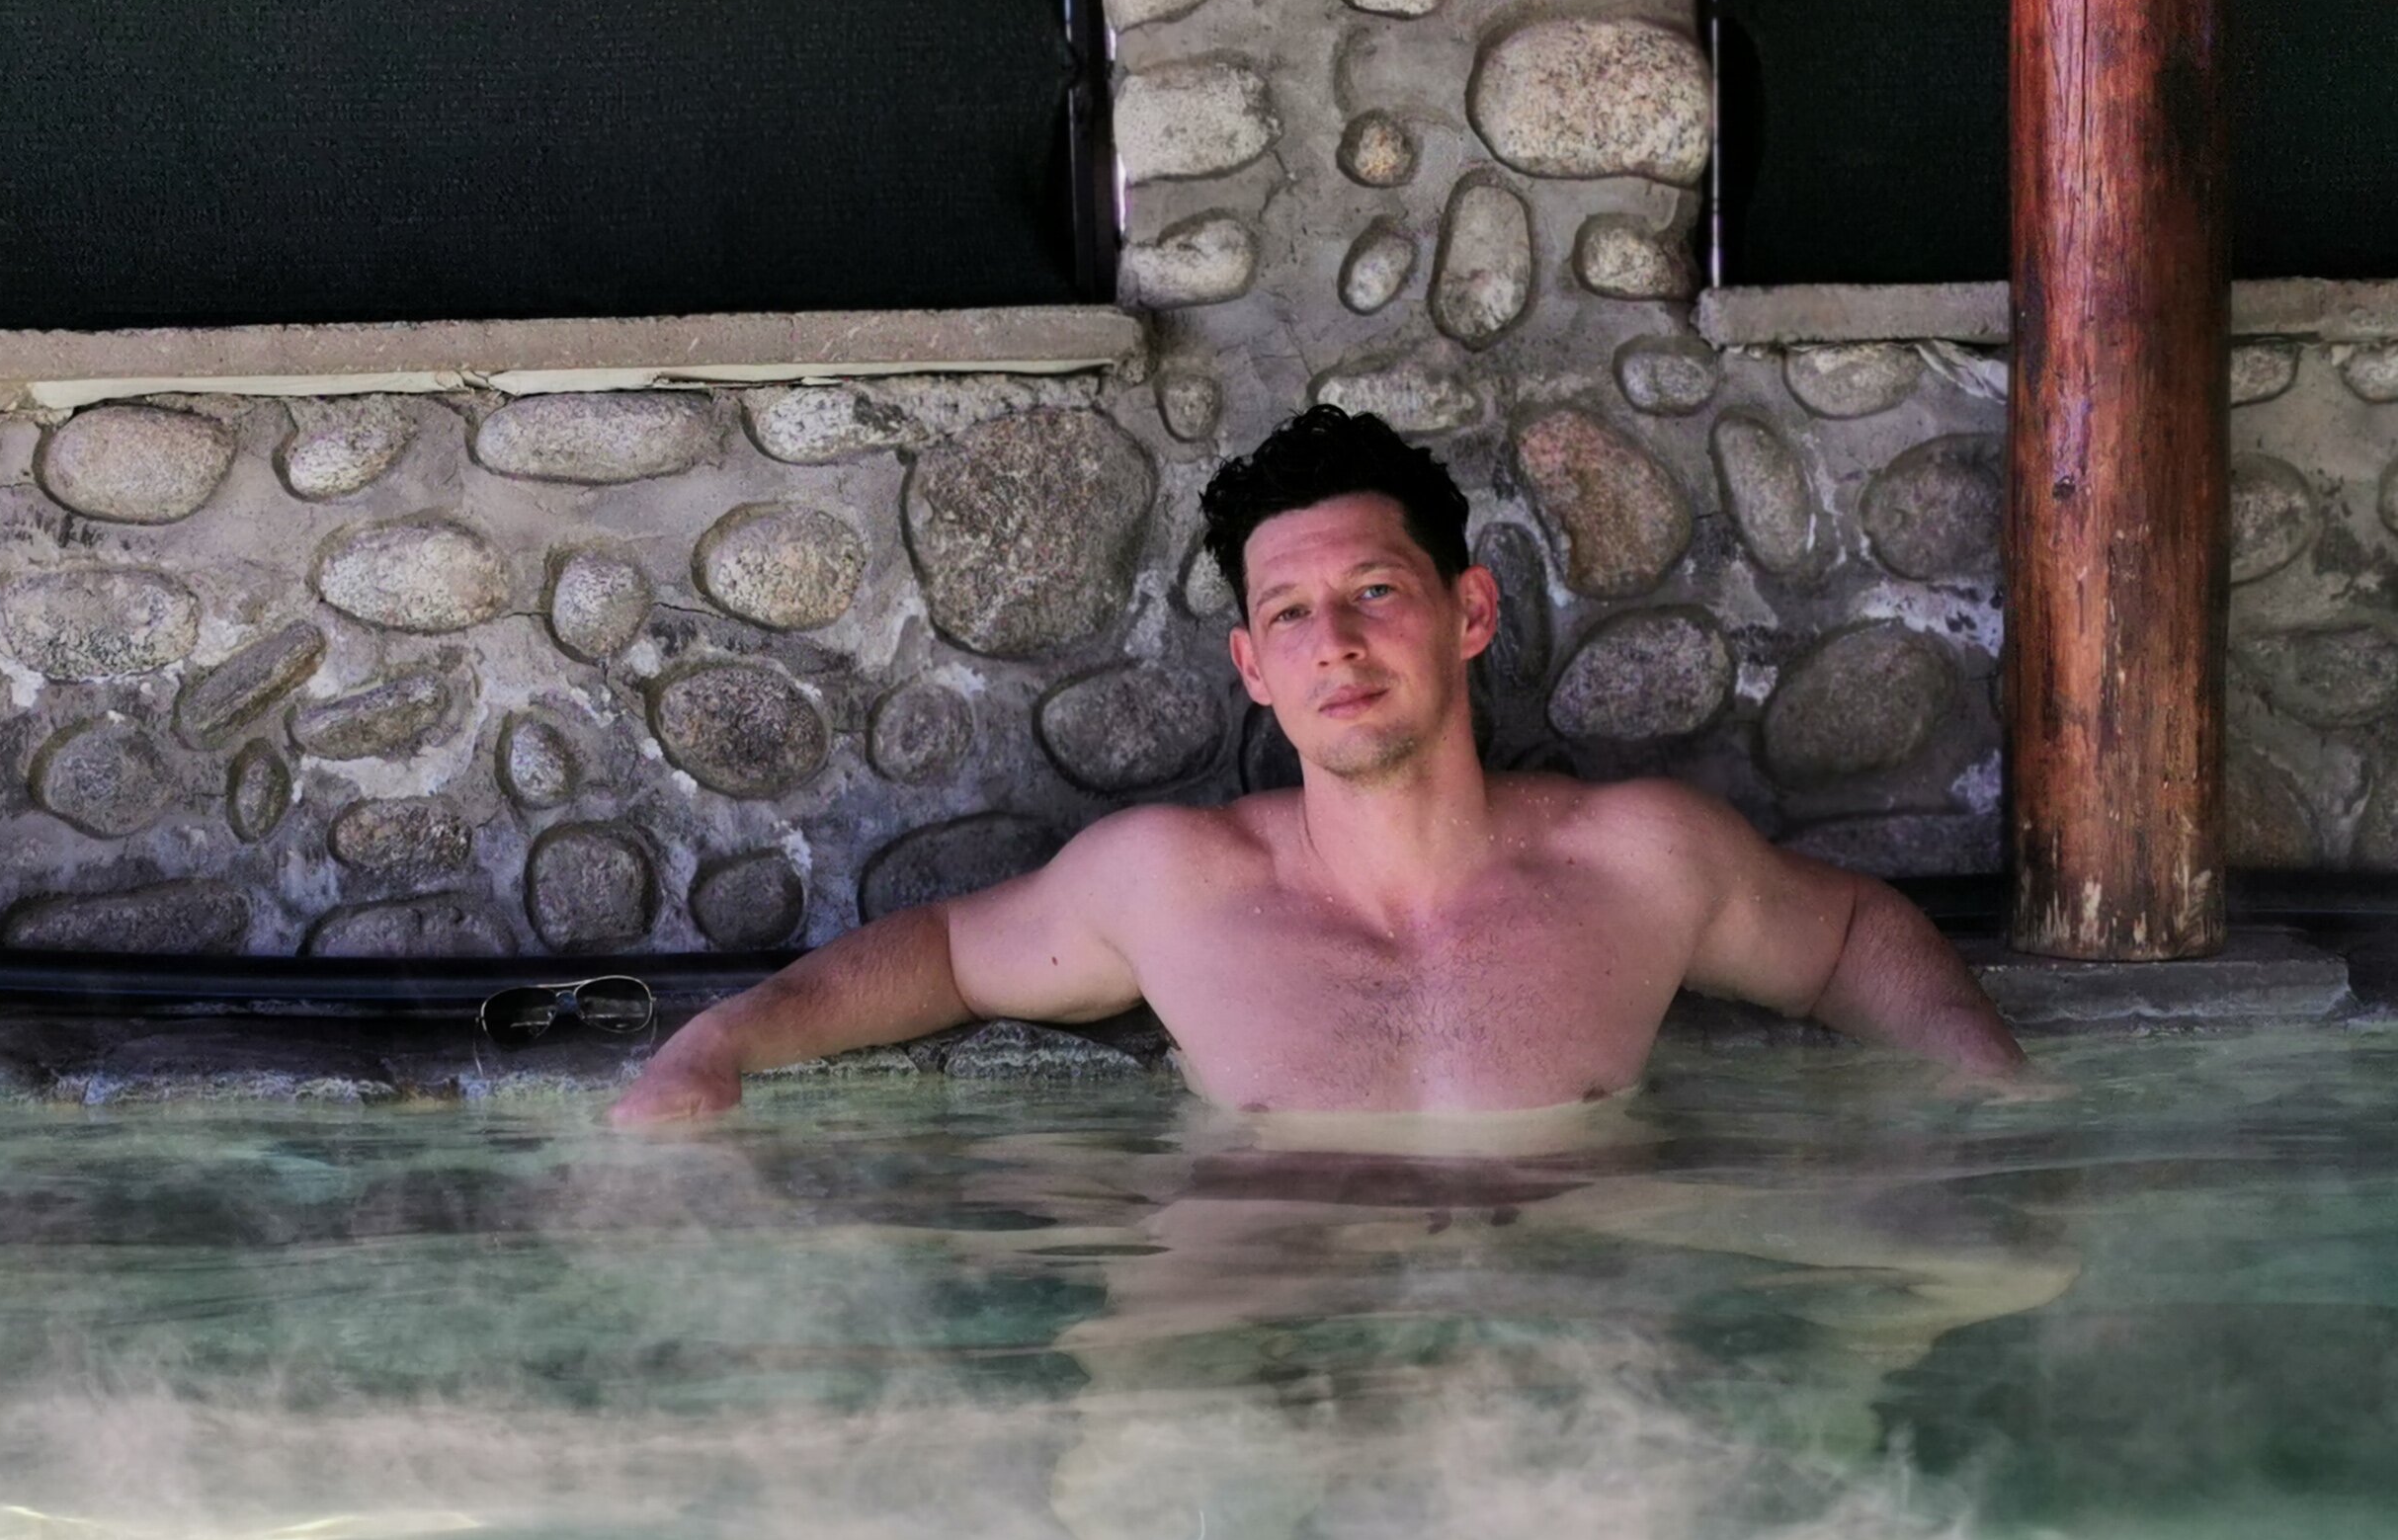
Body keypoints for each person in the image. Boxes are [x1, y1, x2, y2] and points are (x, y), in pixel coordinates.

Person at [610, 403, 2024, 1126]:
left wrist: (1988, 1091)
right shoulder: (1170, 886)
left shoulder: (1640, 861)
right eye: (1288, 614)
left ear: (1470, 613)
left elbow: (1848, 937)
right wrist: (715, 1044)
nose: (1334, 643)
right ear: (1253, 666)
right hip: (1263, 1335)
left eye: (1376, 593)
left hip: (1564, 1350)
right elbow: (942, 957)